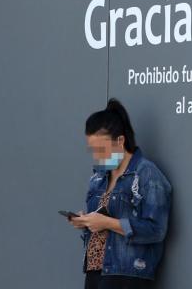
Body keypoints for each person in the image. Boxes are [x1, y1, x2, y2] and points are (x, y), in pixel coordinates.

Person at [69, 99, 173, 289]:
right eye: (93, 150)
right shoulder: (99, 177)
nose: (97, 156)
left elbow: (156, 230)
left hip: (127, 274)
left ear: (120, 141)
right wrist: (86, 221)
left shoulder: (146, 174)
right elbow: (101, 222)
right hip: (95, 271)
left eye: (102, 149)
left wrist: (107, 223)